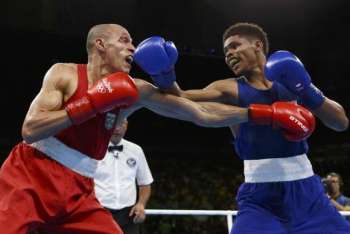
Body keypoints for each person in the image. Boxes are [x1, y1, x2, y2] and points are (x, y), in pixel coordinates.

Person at [0, 23, 314, 234]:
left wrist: (264, 114)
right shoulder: (65, 73)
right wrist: (90, 104)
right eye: (124, 41)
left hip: (80, 188)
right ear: (99, 44)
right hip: (31, 175)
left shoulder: (135, 89)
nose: (133, 49)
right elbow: (31, 129)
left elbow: (200, 113)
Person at [133, 22, 350, 233]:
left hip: (308, 193)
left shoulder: (290, 80)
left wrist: (306, 87)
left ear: (258, 45)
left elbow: (340, 122)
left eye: (235, 46)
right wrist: (163, 74)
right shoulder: (229, 88)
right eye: (226, 51)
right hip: (260, 198)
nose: (228, 54)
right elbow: (180, 99)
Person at [94, 119, 153, 234]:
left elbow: (145, 183)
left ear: (126, 126)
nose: (117, 128)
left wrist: (141, 203)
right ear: (106, 125)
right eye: (114, 124)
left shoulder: (136, 150)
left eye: (121, 124)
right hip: (99, 211)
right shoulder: (93, 148)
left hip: (129, 214)